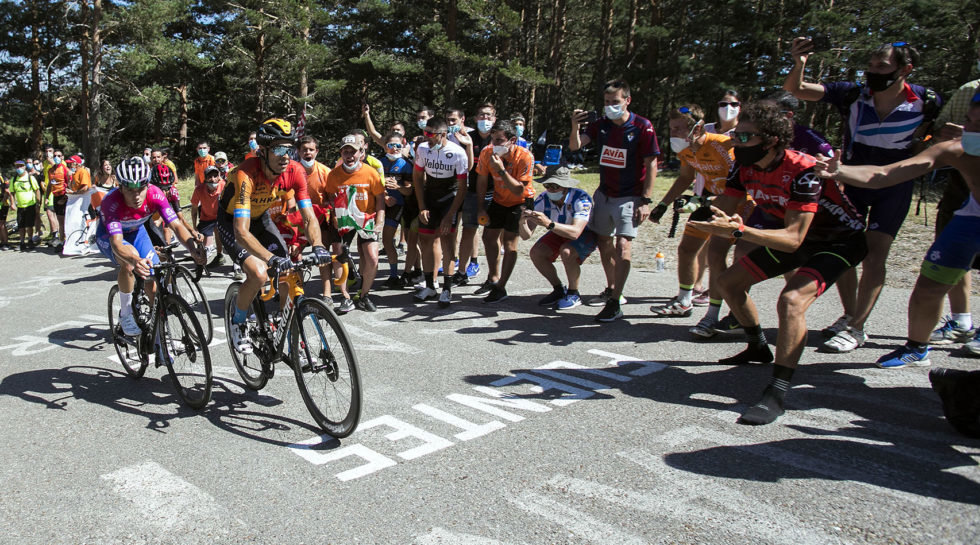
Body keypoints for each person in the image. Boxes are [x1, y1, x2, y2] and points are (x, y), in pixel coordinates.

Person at [690, 102, 868, 425]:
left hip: (838, 241)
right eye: (735, 136)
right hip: (793, 235)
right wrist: (702, 211)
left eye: (744, 137)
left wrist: (740, 230)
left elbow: (794, 240)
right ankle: (758, 346)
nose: (736, 143)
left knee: (791, 301)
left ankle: (777, 390)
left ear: (771, 140)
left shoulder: (803, 171)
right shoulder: (742, 166)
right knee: (729, 283)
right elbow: (724, 205)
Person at [784, 38, 943, 354]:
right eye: (870, 66)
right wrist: (799, 62)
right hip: (853, 180)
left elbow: (933, 131)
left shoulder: (927, 99)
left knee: (875, 254)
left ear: (905, 69)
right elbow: (798, 90)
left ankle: (857, 328)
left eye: (881, 67)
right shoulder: (853, 94)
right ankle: (850, 315)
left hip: (894, 185)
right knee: (848, 248)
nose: (873, 72)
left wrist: (923, 147)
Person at [812, 92, 980, 366]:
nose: (969, 130)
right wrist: (838, 172)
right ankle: (916, 348)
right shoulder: (954, 150)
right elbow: (885, 175)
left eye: (978, 125)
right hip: (969, 219)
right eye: (968, 121)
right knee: (928, 287)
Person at [217, 118, 330, 353]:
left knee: (289, 272)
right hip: (233, 223)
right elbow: (241, 231)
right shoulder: (245, 174)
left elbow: (308, 216)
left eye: (289, 149)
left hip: (262, 218)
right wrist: (270, 259)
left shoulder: (295, 171)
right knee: (258, 275)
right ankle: (238, 321)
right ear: (264, 150)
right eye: (278, 149)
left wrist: (318, 245)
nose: (285, 155)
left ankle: (284, 323)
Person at [569, 79, 660, 322]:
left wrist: (646, 199)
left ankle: (616, 301)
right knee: (604, 243)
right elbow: (575, 146)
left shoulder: (642, 126)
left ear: (627, 100)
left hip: (630, 195)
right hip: (605, 193)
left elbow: (652, 163)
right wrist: (575, 127)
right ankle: (611, 287)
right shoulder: (601, 125)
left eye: (616, 102)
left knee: (623, 246)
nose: (611, 106)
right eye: (607, 102)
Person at [648, 106, 736, 328]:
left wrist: (709, 202)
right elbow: (685, 177)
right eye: (671, 128)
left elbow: (741, 182)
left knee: (716, 255)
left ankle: (712, 316)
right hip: (706, 198)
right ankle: (684, 301)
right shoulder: (686, 150)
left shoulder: (721, 144)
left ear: (696, 128)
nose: (674, 133)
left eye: (679, 128)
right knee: (686, 249)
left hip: (733, 203)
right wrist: (663, 204)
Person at [96, 157, 206, 336]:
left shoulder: (155, 194)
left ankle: (158, 334)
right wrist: (135, 259)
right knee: (129, 263)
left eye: (141, 189)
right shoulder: (111, 202)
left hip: (136, 231)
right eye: (130, 190)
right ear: (120, 186)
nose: (137, 196)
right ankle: (125, 313)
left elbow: (176, 225)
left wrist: (192, 249)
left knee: (154, 284)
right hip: (109, 237)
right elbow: (116, 243)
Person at [925, 51, 980, 347]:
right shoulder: (968, 90)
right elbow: (938, 133)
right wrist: (950, 135)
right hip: (964, 181)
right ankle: (961, 321)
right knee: (956, 252)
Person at [475, 120, 536, 302]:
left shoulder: (525, 156)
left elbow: (519, 189)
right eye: (493, 140)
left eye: (500, 141)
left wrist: (501, 171)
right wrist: (480, 209)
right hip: (499, 199)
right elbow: (482, 182)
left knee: (510, 243)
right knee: (488, 237)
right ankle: (493, 278)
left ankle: (501, 287)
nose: (495, 145)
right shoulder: (487, 153)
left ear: (512, 140)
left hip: (520, 201)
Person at [412, 116, 470, 307]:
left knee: (448, 242)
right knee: (425, 240)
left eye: (430, 134)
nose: (426, 137)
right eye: (424, 132)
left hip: (449, 198)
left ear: (443, 134)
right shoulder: (422, 149)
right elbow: (418, 178)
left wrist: (450, 215)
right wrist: (421, 207)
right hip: (430, 197)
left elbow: (462, 188)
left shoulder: (458, 152)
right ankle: (430, 286)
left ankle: (447, 289)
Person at [325, 134, 386, 312]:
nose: (349, 155)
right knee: (338, 255)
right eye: (346, 152)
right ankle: (345, 297)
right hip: (344, 217)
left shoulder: (370, 172)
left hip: (365, 217)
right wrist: (334, 216)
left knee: (372, 257)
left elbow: (380, 198)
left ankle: (364, 295)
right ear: (341, 153)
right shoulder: (334, 174)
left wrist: (380, 220)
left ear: (361, 152)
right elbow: (330, 196)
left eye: (353, 151)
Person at [520, 165, 595, 309]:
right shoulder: (543, 199)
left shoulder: (581, 198)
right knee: (536, 253)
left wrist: (548, 223)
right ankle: (558, 289)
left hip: (585, 233)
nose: (550, 190)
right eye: (547, 185)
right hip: (557, 230)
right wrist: (521, 221)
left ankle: (574, 293)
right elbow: (526, 236)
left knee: (567, 252)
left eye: (555, 186)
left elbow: (575, 233)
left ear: (565, 186)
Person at [379, 131, 419, 289]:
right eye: (390, 145)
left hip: (402, 205)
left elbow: (410, 191)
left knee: (409, 240)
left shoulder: (406, 164)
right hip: (384, 204)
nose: (394, 149)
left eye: (398, 146)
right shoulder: (379, 163)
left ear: (402, 146)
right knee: (386, 241)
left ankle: (413, 272)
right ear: (385, 147)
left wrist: (398, 187)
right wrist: (384, 194)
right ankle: (394, 274)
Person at [191, 166, 226, 267]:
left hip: (221, 216)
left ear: (219, 176)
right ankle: (202, 262)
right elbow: (194, 209)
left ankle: (220, 256)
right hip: (206, 218)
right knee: (202, 241)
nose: (213, 179)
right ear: (205, 178)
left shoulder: (224, 185)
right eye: (210, 176)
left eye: (215, 176)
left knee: (221, 234)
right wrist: (194, 227)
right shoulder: (199, 189)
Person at [11, 160, 41, 252]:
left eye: (21, 166)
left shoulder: (30, 178)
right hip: (20, 206)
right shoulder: (14, 179)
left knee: (29, 225)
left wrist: (38, 203)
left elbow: (37, 190)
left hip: (30, 205)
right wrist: (12, 203)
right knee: (21, 226)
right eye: (17, 167)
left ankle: (30, 240)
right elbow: (12, 192)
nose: (19, 168)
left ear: (24, 167)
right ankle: (22, 242)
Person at [43, 149, 71, 247]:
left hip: (64, 196)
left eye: (59, 156)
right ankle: (62, 241)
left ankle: (67, 241)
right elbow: (50, 185)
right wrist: (47, 197)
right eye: (55, 156)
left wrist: (64, 198)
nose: (56, 158)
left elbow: (70, 185)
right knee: (60, 220)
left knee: (65, 220)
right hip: (55, 196)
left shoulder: (64, 169)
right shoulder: (50, 170)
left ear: (62, 157)